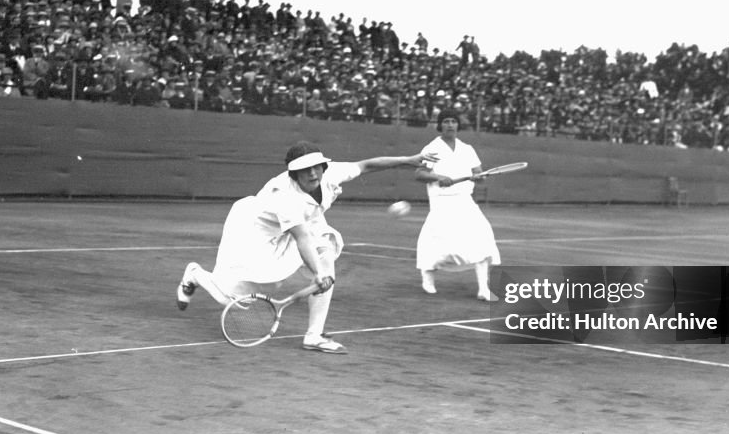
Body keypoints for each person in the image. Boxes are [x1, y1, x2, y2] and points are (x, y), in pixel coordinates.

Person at [176, 141, 436, 354]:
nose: (313, 174)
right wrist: (318, 274)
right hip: (254, 231)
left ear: (323, 166)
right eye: (305, 170)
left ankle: (314, 336)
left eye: (316, 168)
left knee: (326, 255)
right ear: (293, 174)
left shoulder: (329, 173)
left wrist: (409, 159)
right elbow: (301, 238)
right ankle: (196, 275)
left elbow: (366, 165)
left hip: (301, 225)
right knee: (232, 299)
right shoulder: (285, 196)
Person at [414, 109, 500, 300]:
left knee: (483, 239)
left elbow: (479, 174)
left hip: (465, 201)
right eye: (446, 121)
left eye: (453, 121)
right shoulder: (431, 148)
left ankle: (483, 289)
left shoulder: (467, 149)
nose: (450, 125)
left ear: (458, 125)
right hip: (441, 203)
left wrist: (479, 177)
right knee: (436, 245)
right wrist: (438, 176)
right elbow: (419, 174)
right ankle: (427, 278)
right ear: (440, 125)